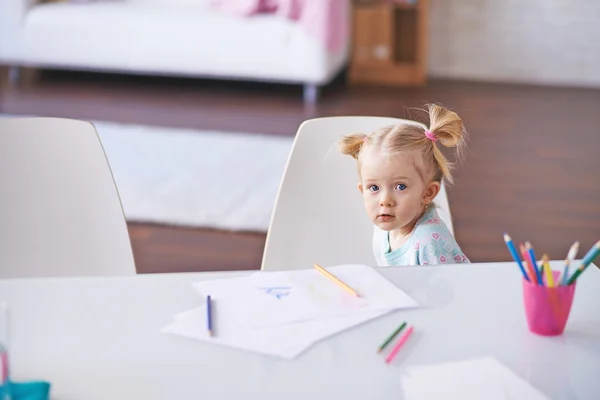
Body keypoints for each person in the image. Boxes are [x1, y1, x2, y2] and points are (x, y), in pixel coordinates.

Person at [339, 104, 470, 266]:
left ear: (428, 193)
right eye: (374, 188)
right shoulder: (386, 225)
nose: (385, 200)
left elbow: (447, 291)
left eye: (400, 186)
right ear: (362, 190)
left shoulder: (428, 244)